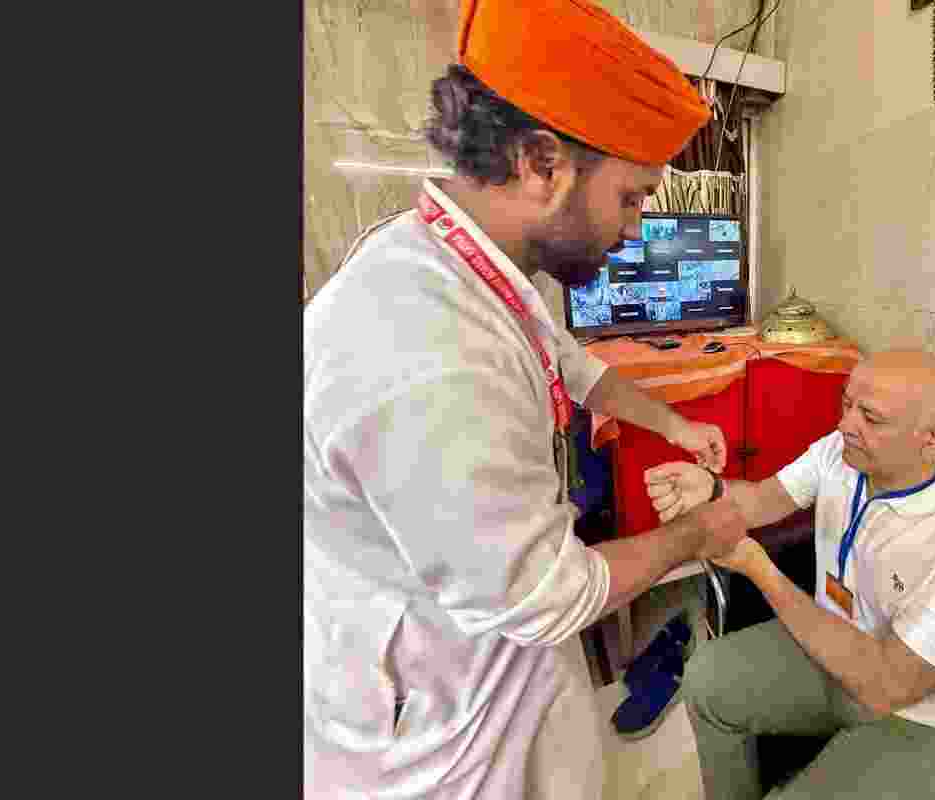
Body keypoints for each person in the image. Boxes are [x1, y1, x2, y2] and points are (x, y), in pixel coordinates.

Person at [302, 1, 745, 797]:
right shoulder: (426, 350)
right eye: (632, 198)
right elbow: (551, 596)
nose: (635, 228)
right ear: (543, 163)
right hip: (439, 745)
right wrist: (700, 532)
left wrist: (675, 421)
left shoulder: (466, 267)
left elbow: (570, 365)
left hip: (496, 663)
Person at [645, 350, 935, 799]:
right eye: (846, 404)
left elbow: (885, 685)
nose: (848, 424)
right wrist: (713, 489)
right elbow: (766, 499)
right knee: (707, 680)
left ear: (933, 437)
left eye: (871, 416)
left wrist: (758, 568)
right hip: (835, 656)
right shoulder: (840, 454)